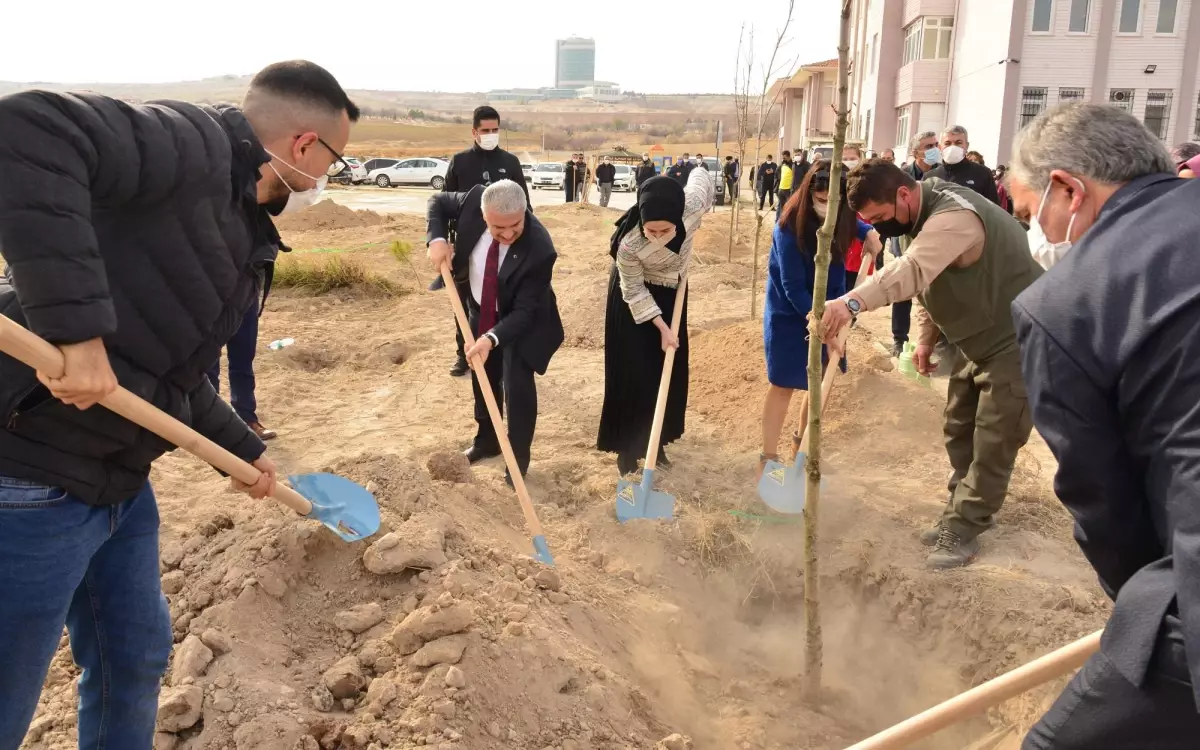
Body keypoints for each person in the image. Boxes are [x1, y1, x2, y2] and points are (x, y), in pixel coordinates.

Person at [0, 59, 357, 747]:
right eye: (333, 164)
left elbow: (176, 373)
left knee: (134, 657)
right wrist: (76, 330)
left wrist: (244, 452)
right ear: (305, 146)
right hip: (31, 473)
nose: (324, 184)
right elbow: (27, 130)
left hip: (119, 481)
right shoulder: (190, 147)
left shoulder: (245, 228)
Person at [1007, 101, 1200, 749]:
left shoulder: (1063, 304)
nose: (1035, 233)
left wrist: (1141, 604)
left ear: (1068, 188)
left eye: (1032, 215)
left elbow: (1104, 503)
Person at [820, 159, 1042, 568]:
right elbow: (930, 286)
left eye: (882, 216)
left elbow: (915, 270)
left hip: (1018, 340)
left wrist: (852, 302)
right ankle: (966, 509)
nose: (881, 226)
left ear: (903, 194)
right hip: (976, 342)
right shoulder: (915, 219)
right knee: (959, 426)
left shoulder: (955, 214)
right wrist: (925, 340)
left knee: (994, 439)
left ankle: (963, 528)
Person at [426, 180, 564, 486]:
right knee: (482, 377)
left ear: (524, 211)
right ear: (483, 214)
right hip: (479, 309)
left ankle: (517, 461)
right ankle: (487, 440)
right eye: (497, 227)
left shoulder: (540, 249)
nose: (507, 234)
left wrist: (491, 338)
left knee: (517, 388)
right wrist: (436, 239)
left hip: (521, 323)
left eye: (515, 225)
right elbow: (437, 202)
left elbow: (525, 312)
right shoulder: (472, 199)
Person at [759, 162, 877, 474]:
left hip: (833, 308)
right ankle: (767, 460)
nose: (826, 206)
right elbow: (792, 286)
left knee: (820, 384)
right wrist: (818, 323)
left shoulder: (843, 217)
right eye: (820, 199)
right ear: (809, 192)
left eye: (833, 200)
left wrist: (869, 232)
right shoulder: (788, 229)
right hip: (789, 312)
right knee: (783, 384)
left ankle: (802, 450)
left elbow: (856, 222)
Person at [597, 168, 715, 475]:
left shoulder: (691, 209)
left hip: (672, 292)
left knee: (665, 369)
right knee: (633, 371)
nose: (659, 238)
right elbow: (632, 289)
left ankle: (656, 443)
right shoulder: (629, 244)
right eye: (653, 232)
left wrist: (699, 167)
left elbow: (701, 179)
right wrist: (662, 327)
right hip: (632, 297)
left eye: (666, 231)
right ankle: (626, 451)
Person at [433, 105, 530, 377]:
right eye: (485, 130)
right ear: (474, 132)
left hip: (503, 245)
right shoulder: (460, 162)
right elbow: (445, 204)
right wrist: (447, 241)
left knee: (504, 302)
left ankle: (503, 352)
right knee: (463, 304)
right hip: (467, 247)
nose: (490, 135)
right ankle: (463, 356)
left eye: (495, 130)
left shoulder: (510, 163)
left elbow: (526, 206)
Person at [207, 297, 278, 441]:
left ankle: (247, 420)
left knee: (243, 359)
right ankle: (211, 425)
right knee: (209, 362)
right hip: (213, 292)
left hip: (246, 290)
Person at [923, 125, 1002, 206]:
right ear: (939, 147)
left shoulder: (983, 173)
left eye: (958, 143)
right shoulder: (930, 177)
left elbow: (994, 208)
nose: (953, 147)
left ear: (967, 146)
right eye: (948, 143)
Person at [776, 151, 795, 216]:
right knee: (781, 207)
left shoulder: (793, 165)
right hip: (781, 189)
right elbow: (777, 173)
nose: (783, 159)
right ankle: (779, 221)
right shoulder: (782, 164)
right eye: (783, 158)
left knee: (789, 207)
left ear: (788, 156)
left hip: (789, 189)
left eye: (784, 158)